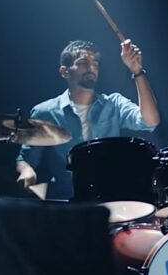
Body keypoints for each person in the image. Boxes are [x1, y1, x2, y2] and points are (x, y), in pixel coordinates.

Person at [16, 39, 160, 200]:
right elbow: (25, 158)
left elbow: (151, 121)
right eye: (83, 63)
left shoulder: (114, 103)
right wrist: (26, 170)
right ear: (64, 72)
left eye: (95, 63)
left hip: (111, 198)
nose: (92, 68)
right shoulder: (44, 112)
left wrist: (137, 71)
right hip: (67, 201)